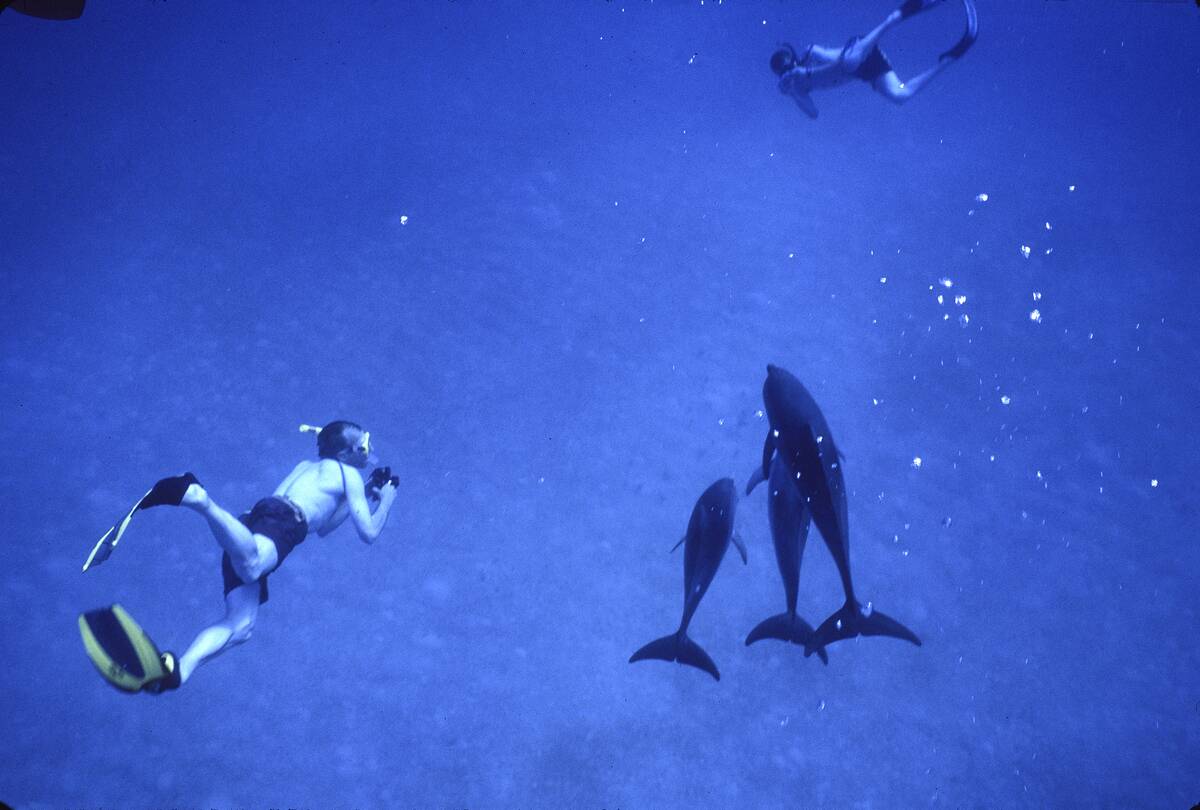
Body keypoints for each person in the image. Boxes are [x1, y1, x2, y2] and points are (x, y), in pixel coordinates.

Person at [134, 420, 399, 691]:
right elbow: (369, 533)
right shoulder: (348, 475)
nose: (369, 450)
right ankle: (199, 500)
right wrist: (387, 499)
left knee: (241, 626)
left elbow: (324, 527)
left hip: (249, 526)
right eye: (364, 445)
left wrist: (365, 492)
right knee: (252, 567)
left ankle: (177, 670)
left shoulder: (307, 468)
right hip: (280, 525)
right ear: (346, 452)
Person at [771, 0, 977, 119]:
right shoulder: (797, 88)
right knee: (900, 96)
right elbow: (813, 113)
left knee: (849, 61)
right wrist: (793, 94)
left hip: (858, 50)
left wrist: (807, 72)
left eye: (790, 68)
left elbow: (840, 62)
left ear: (795, 60)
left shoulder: (811, 54)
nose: (789, 74)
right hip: (864, 70)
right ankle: (950, 59)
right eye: (784, 73)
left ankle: (894, 18)